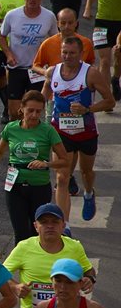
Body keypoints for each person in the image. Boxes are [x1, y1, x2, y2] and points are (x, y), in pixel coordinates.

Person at [0, 90, 69, 244]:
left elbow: (64, 160)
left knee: (35, 233)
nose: (34, 115)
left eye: (38, 111)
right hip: (14, 186)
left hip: (39, 187)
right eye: (30, 110)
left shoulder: (48, 131)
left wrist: (46, 163)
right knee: (20, 233)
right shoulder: (11, 128)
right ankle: (20, 267)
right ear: (21, 108)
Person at [43, 36, 114, 222]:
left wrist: (88, 109)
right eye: (64, 52)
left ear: (81, 54)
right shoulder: (53, 72)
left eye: (72, 53)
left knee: (86, 172)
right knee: (62, 178)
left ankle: (89, 193)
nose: (67, 57)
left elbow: (110, 101)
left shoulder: (90, 74)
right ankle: (63, 224)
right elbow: (44, 95)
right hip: (60, 132)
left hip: (86, 132)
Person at [0, 0, 59, 120]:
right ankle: (17, 138)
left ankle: (33, 139)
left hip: (37, 70)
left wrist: (51, 63)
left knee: (35, 111)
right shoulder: (12, 15)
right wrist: (8, 54)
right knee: (14, 112)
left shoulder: (49, 16)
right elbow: (1, 36)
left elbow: (56, 40)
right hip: (16, 68)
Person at [83, 0, 121, 92]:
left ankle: (116, 79)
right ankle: (107, 96)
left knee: (118, 55)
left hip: (119, 21)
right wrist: (87, 9)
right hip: (102, 21)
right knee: (104, 61)